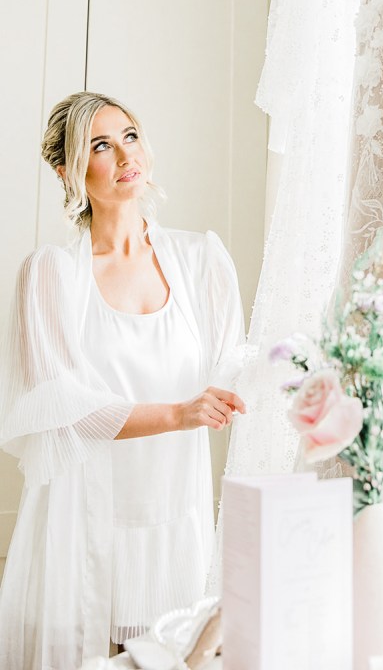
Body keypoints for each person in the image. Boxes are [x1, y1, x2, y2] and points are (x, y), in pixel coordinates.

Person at [0, 92, 248, 670]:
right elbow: (63, 410)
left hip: (175, 524)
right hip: (82, 530)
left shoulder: (202, 261)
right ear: (68, 171)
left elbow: (234, 370)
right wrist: (180, 414)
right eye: (100, 145)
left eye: (130, 135)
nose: (123, 155)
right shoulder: (51, 277)